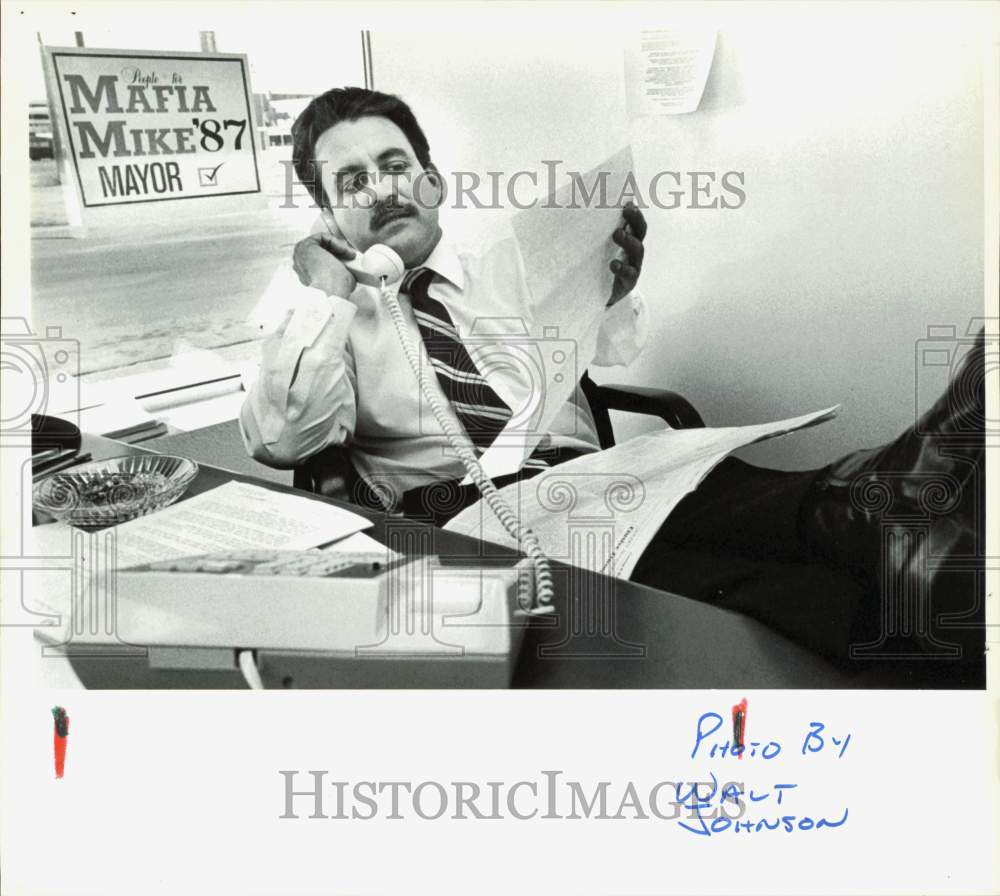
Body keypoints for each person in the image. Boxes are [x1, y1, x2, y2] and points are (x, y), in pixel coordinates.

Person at [241, 86, 985, 677]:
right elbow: (283, 440)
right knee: (742, 567)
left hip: (591, 473)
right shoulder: (314, 308)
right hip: (463, 513)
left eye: (395, 166)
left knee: (708, 492)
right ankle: (898, 509)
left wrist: (616, 287)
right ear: (329, 213)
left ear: (431, 182)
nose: (382, 190)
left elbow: (605, 353)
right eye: (352, 182)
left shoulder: (509, 261)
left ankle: (910, 551)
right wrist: (325, 294)